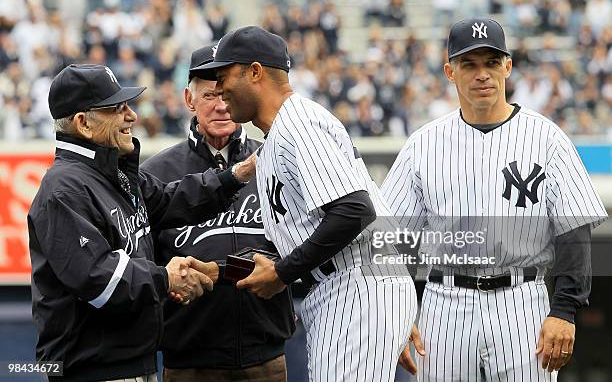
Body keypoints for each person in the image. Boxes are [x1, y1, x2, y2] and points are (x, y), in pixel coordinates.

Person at [381, 18, 608, 381]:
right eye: (469, 64)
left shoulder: (546, 138)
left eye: (490, 62)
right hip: (445, 303)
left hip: (522, 301)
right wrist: (399, 313)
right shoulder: (423, 145)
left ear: (507, 65)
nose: (482, 74)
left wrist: (564, 309)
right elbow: (393, 240)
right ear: (450, 72)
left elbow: (574, 230)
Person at [199, 26, 419, 382]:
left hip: (358, 286)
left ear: (255, 72)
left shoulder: (298, 122)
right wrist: (218, 272)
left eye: (224, 76)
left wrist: (285, 273)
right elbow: (285, 248)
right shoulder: (274, 141)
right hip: (347, 288)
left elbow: (355, 210)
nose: (219, 89)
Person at [28, 63, 256, 381]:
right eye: (117, 108)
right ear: (83, 123)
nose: (131, 116)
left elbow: (170, 201)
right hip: (94, 371)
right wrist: (167, 278)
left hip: (136, 363)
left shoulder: (114, 173)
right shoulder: (63, 189)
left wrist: (235, 176)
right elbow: (100, 280)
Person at [141, 44, 295, 382]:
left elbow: (298, 250)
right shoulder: (156, 174)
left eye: (227, 93)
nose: (221, 106)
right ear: (189, 99)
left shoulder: (275, 159)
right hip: (189, 361)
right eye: (209, 95)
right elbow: (146, 267)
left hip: (265, 356)